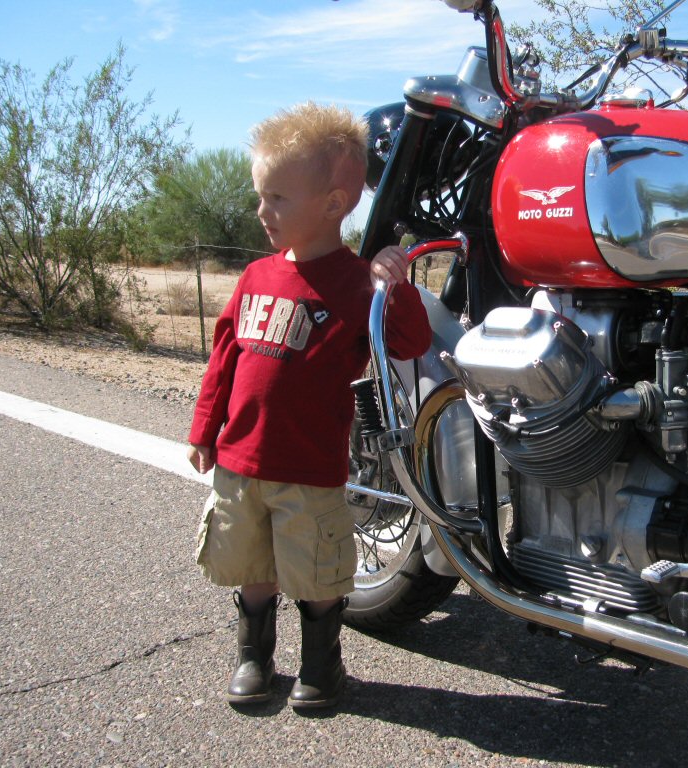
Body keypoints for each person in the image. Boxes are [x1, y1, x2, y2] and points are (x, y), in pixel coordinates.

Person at [187, 102, 432, 710]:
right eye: (260, 196)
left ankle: (321, 669)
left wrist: (392, 287)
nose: (262, 212)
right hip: (240, 461)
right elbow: (225, 359)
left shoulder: (355, 282)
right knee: (253, 565)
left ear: (333, 205)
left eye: (276, 199)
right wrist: (203, 428)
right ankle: (254, 660)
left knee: (318, 574)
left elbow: (410, 342)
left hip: (310, 468)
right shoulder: (254, 276)